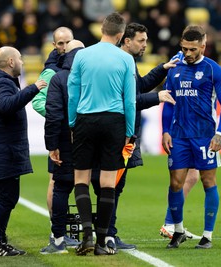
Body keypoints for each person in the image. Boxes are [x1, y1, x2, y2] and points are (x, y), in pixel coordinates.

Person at [103, 22, 178, 251]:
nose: (145, 44)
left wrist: (163, 68)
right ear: (127, 41)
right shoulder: (120, 63)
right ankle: (106, 234)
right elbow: (131, 99)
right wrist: (158, 98)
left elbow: (141, 86)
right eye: (141, 41)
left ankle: (108, 233)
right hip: (119, 135)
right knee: (112, 185)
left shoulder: (128, 62)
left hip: (125, 134)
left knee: (116, 185)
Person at [67, 12, 136, 256]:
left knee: (81, 178)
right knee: (108, 183)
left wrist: (73, 123)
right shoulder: (125, 59)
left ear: (101, 30)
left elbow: (72, 91)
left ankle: (86, 232)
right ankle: (102, 240)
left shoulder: (82, 55)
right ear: (120, 36)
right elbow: (130, 101)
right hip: (114, 121)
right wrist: (129, 132)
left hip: (86, 119)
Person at [161, 25, 221, 249]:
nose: (188, 54)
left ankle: (207, 235)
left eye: (192, 49)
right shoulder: (174, 67)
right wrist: (165, 130)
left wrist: (219, 134)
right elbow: (168, 103)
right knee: (175, 183)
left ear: (203, 46)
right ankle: (178, 230)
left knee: (208, 181)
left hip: (204, 136)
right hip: (179, 136)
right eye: (184, 49)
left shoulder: (214, 70)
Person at [0, 46, 47, 256]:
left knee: (7, 197)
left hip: (2, 149)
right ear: (10, 62)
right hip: (3, 150)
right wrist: (32, 88)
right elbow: (6, 105)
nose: (22, 62)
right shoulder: (1, 83)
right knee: (7, 198)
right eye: (20, 58)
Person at [31, 26, 78, 247]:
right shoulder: (51, 72)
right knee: (56, 182)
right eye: (60, 43)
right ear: (54, 45)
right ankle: (55, 230)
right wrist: (61, 118)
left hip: (72, 136)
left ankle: (61, 231)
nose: (64, 47)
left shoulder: (71, 66)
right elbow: (39, 102)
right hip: (61, 135)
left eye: (67, 42)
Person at [40, 39, 87, 254]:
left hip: (66, 142)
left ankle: (58, 240)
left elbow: (53, 114)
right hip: (93, 140)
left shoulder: (59, 79)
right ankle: (102, 237)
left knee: (61, 187)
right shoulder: (93, 76)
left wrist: (52, 145)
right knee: (101, 187)